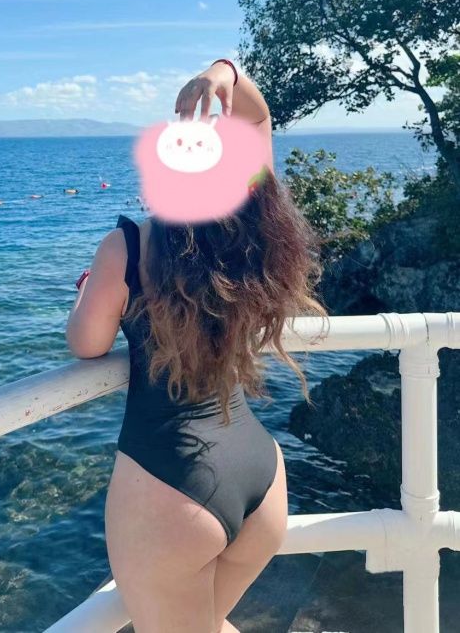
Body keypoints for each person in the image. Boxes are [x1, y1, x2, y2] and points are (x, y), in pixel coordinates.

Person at [65, 59, 329, 633]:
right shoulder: (254, 241)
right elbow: (259, 120)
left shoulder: (128, 247)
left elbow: (86, 344)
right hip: (260, 475)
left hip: (173, 489)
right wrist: (224, 73)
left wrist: (91, 289)